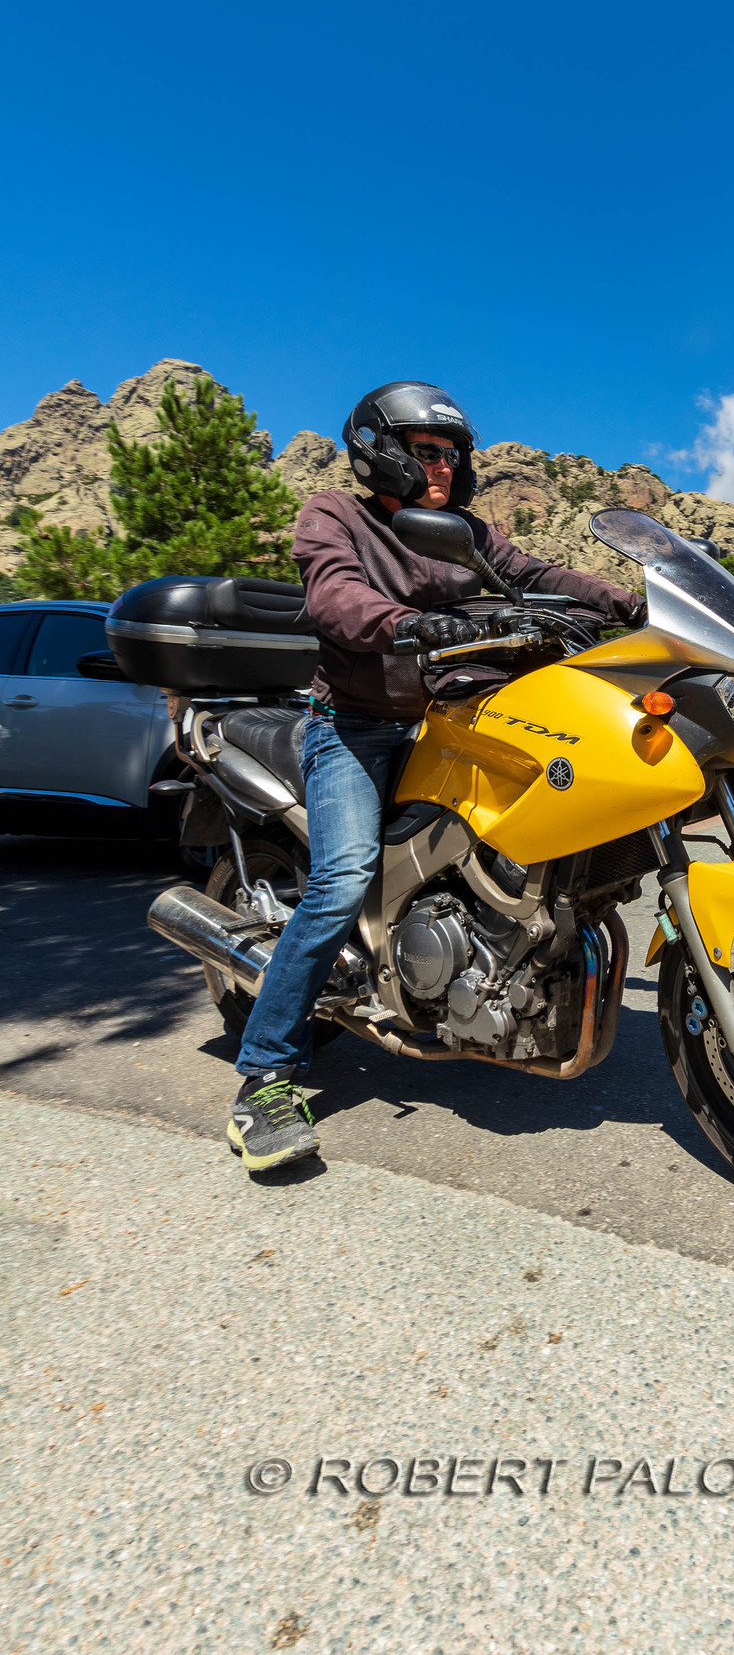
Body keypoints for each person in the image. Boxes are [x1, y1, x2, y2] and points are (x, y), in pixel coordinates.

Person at [225, 381, 643, 1174]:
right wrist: (410, 623)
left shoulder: (466, 534)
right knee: (343, 878)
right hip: (352, 727)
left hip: (450, 718)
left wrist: (631, 600)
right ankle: (266, 1076)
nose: (445, 466)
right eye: (427, 452)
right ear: (381, 451)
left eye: (452, 453)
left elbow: (540, 571)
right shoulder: (333, 515)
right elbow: (334, 597)